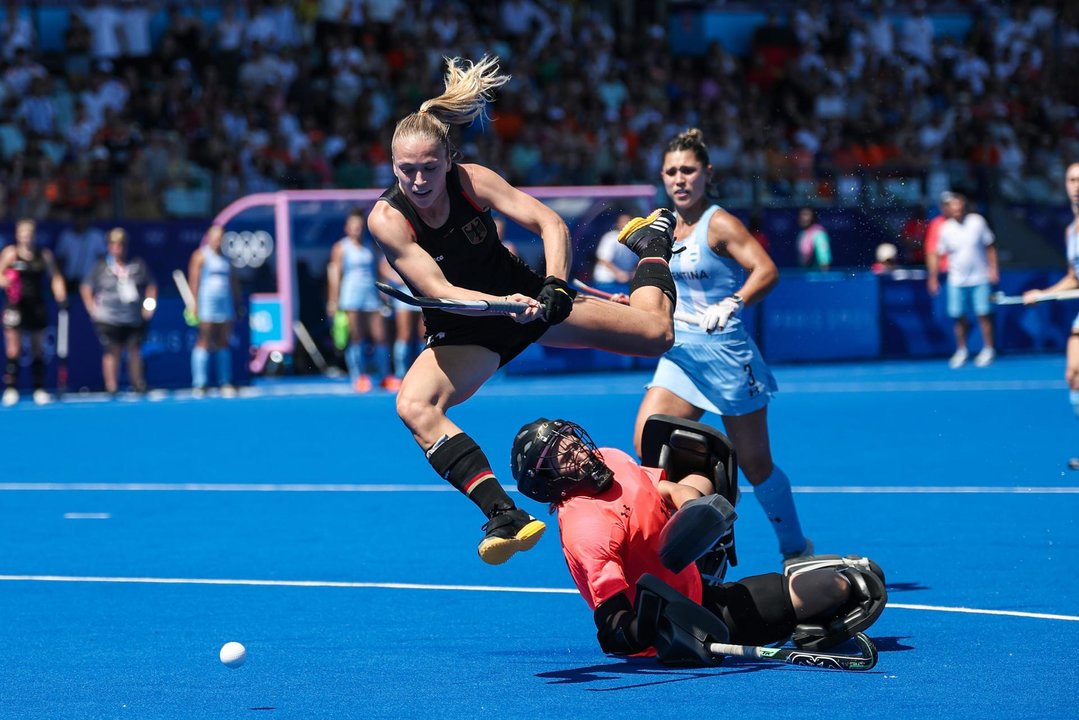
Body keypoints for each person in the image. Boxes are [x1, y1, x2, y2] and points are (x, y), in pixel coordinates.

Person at [366, 55, 678, 565]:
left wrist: (554, 287)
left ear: (447, 160)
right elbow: (439, 289)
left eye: (428, 168)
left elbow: (550, 224)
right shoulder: (388, 219)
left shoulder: (472, 181)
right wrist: (497, 305)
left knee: (657, 333)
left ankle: (650, 246)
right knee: (414, 406)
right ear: (392, 166)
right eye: (406, 170)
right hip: (467, 330)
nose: (418, 181)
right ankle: (503, 515)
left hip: (529, 304)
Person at [509, 416, 886, 661]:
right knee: (848, 588)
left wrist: (694, 514)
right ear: (548, 482)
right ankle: (803, 617)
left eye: (570, 440)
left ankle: (749, 581)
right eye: (560, 454)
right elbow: (612, 627)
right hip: (684, 626)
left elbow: (670, 488)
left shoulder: (611, 459)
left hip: (695, 581)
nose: (575, 449)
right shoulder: (587, 529)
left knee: (704, 472)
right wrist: (646, 628)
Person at [633, 128, 811, 564]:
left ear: (706, 173)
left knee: (756, 466)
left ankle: (795, 549)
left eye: (688, 170)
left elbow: (766, 271)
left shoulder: (720, 223)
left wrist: (734, 302)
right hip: (681, 355)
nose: (680, 179)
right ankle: (697, 539)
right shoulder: (662, 226)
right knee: (647, 444)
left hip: (728, 358)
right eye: (672, 171)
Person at [1023, 163, 1079, 455]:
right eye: (1071, 179)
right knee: (1073, 374)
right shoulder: (1071, 230)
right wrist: (1044, 294)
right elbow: (1074, 278)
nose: (1077, 185)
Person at [80, 227, 157, 395]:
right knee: (111, 351)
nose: (118, 249)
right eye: (114, 245)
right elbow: (86, 288)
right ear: (109, 246)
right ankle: (111, 386)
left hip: (133, 317)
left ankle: (137, 384)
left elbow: (151, 286)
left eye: (121, 245)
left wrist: (149, 306)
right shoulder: (100, 267)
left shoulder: (137, 265)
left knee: (135, 350)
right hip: (108, 318)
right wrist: (92, 308)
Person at [326, 207, 395, 393]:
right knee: (356, 337)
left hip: (371, 295)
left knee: (380, 336)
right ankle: (359, 377)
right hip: (350, 296)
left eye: (359, 225)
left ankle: (384, 377)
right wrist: (333, 300)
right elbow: (335, 274)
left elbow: (378, 271)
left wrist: (384, 292)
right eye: (353, 226)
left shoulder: (370, 246)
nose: (357, 229)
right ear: (347, 227)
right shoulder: (341, 248)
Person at [0, 218, 68, 406]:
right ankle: (11, 388)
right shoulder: (11, 254)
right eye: (22, 234)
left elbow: (55, 277)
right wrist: (6, 281)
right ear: (17, 235)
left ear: (34, 235)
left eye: (29, 234)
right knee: (14, 349)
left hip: (36, 306)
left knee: (38, 348)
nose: (26, 237)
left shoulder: (43, 255)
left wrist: (61, 296)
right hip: (15, 306)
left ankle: (39, 387)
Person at [927, 191, 998, 368]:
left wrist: (993, 269)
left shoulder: (978, 222)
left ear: (964, 206)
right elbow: (937, 254)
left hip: (980, 278)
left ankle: (988, 349)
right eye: (953, 206)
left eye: (959, 205)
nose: (957, 209)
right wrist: (933, 277)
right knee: (958, 317)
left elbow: (990, 247)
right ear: (949, 209)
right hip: (956, 280)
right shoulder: (945, 228)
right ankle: (961, 350)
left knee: (983, 315)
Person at [187, 224, 241, 399]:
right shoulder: (200, 256)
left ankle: (225, 381)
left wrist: (237, 302)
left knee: (223, 341)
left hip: (224, 305)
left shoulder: (227, 259)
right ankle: (200, 383)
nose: (218, 242)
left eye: (220, 239)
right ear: (209, 238)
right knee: (204, 340)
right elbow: (194, 281)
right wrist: (194, 304)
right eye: (215, 238)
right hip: (206, 304)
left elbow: (234, 284)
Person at [378, 254, 424, 387]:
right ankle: (400, 374)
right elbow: (384, 269)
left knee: (424, 335)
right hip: (403, 296)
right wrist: (406, 279)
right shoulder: (391, 248)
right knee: (404, 335)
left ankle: (422, 373)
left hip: (421, 295)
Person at [591, 212, 638, 288]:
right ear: (618, 224)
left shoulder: (635, 240)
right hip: (606, 281)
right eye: (623, 222)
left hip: (625, 282)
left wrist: (634, 273)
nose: (626, 225)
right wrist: (619, 274)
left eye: (628, 222)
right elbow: (603, 260)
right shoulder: (610, 238)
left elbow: (636, 262)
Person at [796, 206, 831, 271]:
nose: (802, 218)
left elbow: (824, 262)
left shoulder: (819, 234)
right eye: (801, 215)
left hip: (817, 277)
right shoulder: (802, 234)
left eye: (806, 215)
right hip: (806, 275)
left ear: (813, 217)